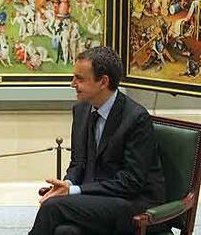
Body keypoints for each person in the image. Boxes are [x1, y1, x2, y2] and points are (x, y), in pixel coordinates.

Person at [29, 46, 166, 235]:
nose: (72, 83)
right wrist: (68, 184)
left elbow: (131, 182)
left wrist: (75, 191)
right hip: (96, 200)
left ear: (103, 81)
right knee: (65, 231)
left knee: (53, 207)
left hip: (131, 204)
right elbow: (78, 162)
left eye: (80, 78)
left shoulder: (136, 118)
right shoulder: (81, 110)